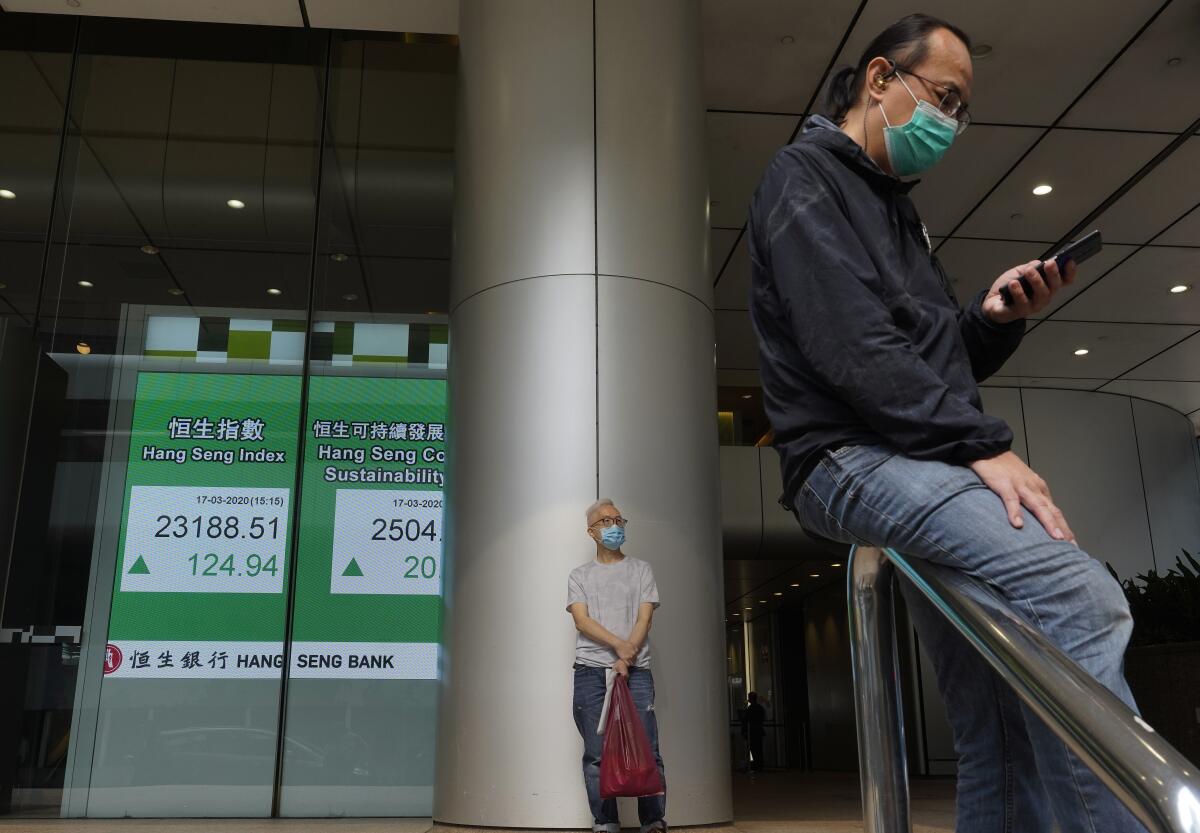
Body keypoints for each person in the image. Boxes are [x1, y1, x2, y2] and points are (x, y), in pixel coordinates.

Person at [747, 13, 1145, 833]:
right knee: (1080, 593)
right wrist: (980, 447)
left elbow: (926, 359)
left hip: (903, 448)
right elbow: (849, 347)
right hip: (849, 456)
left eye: (962, 111)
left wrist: (991, 319)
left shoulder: (895, 208)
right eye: (944, 97)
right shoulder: (802, 178)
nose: (950, 124)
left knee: (994, 712)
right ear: (880, 79)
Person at [567, 499, 666, 833]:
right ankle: (605, 821)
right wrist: (619, 647)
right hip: (590, 671)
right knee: (596, 754)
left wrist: (627, 656)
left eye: (618, 519)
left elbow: (645, 616)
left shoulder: (641, 570)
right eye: (606, 521)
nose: (614, 526)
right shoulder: (579, 576)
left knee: (647, 748)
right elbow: (582, 621)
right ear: (591, 532)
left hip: (636, 670)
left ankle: (652, 821)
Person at [740, 692, 766, 773]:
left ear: (750, 698)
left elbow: (745, 720)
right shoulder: (760, 708)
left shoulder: (750, 709)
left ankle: (756, 766)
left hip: (751, 732)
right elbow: (763, 718)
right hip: (758, 731)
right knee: (759, 750)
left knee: (754, 750)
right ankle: (759, 766)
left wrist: (744, 731)